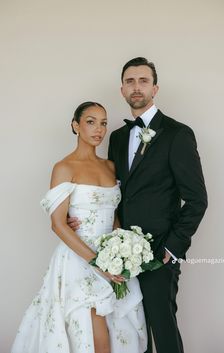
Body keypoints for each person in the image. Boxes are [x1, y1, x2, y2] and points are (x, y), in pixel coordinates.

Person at [69, 58, 208, 353]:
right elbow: (113, 191)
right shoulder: (117, 138)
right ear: (122, 90)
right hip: (119, 254)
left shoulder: (177, 134)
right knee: (131, 330)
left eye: (143, 81)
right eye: (130, 81)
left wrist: (172, 247)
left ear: (155, 88)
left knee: (162, 325)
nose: (136, 87)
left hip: (160, 251)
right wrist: (81, 217)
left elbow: (197, 199)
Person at [11, 101, 147, 353]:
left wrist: (121, 253)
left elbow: (115, 216)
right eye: (91, 121)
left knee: (118, 330)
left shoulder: (110, 166)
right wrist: (98, 263)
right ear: (76, 125)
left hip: (112, 260)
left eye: (103, 122)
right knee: (93, 336)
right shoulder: (64, 168)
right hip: (79, 259)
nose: (99, 129)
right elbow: (58, 224)